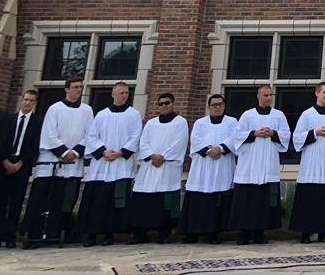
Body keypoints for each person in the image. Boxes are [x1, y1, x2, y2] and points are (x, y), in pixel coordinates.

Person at [20, 78, 93, 248]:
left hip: (73, 163)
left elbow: (90, 134)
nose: (79, 90)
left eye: (81, 87)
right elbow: (49, 133)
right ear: (67, 89)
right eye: (75, 87)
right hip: (51, 163)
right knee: (41, 199)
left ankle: (59, 232)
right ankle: (34, 234)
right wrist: (63, 152)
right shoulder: (55, 109)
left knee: (66, 200)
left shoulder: (87, 110)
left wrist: (74, 152)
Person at [78, 83, 141, 246]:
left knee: (115, 202)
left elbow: (135, 136)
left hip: (120, 165)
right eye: (121, 92)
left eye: (127, 93)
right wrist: (103, 151)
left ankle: (109, 234)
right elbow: (91, 136)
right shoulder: (101, 115)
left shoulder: (133, 114)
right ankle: (91, 234)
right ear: (113, 94)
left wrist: (121, 152)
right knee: (96, 201)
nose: (124, 95)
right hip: (101, 166)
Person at [229, 85, 291, 245]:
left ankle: (259, 234)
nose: (269, 98)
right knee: (246, 202)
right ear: (258, 96)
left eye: (271, 95)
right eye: (265, 95)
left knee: (262, 203)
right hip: (249, 165)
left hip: (268, 162)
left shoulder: (279, 115)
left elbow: (286, 135)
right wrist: (254, 133)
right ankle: (243, 234)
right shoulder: (247, 115)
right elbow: (236, 136)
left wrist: (273, 133)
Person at [128, 93, 189, 244]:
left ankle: (164, 233)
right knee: (143, 201)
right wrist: (151, 156)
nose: (164, 106)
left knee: (165, 203)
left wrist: (163, 157)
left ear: (173, 103)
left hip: (168, 167)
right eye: (161, 103)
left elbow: (179, 142)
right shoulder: (151, 123)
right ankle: (140, 233)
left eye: (167, 103)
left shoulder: (180, 122)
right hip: (149, 167)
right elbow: (143, 142)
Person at [290, 82, 325, 243]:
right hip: (312, 163)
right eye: (324, 92)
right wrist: (315, 132)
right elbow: (297, 137)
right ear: (317, 93)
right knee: (309, 198)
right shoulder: (307, 114)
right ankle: (305, 232)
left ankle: (324, 231)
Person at [179, 94, 237, 244]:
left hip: (222, 165)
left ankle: (213, 233)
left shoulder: (232, 122)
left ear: (224, 106)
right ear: (209, 107)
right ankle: (192, 232)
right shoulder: (200, 123)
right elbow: (195, 139)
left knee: (217, 200)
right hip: (203, 166)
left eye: (220, 104)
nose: (218, 107)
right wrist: (208, 150)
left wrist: (221, 148)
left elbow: (234, 138)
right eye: (214, 105)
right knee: (198, 199)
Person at [0, 90, 41, 249]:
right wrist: (5, 161)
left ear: (35, 103)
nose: (27, 103)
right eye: (25, 99)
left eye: (31, 100)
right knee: (1, 201)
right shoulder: (9, 120)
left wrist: (20, 163)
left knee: (16, 203)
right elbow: (1, 140)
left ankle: (10, 236)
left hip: (22, 166)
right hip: (5, 164)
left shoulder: (37, 123)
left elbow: (34, 146)